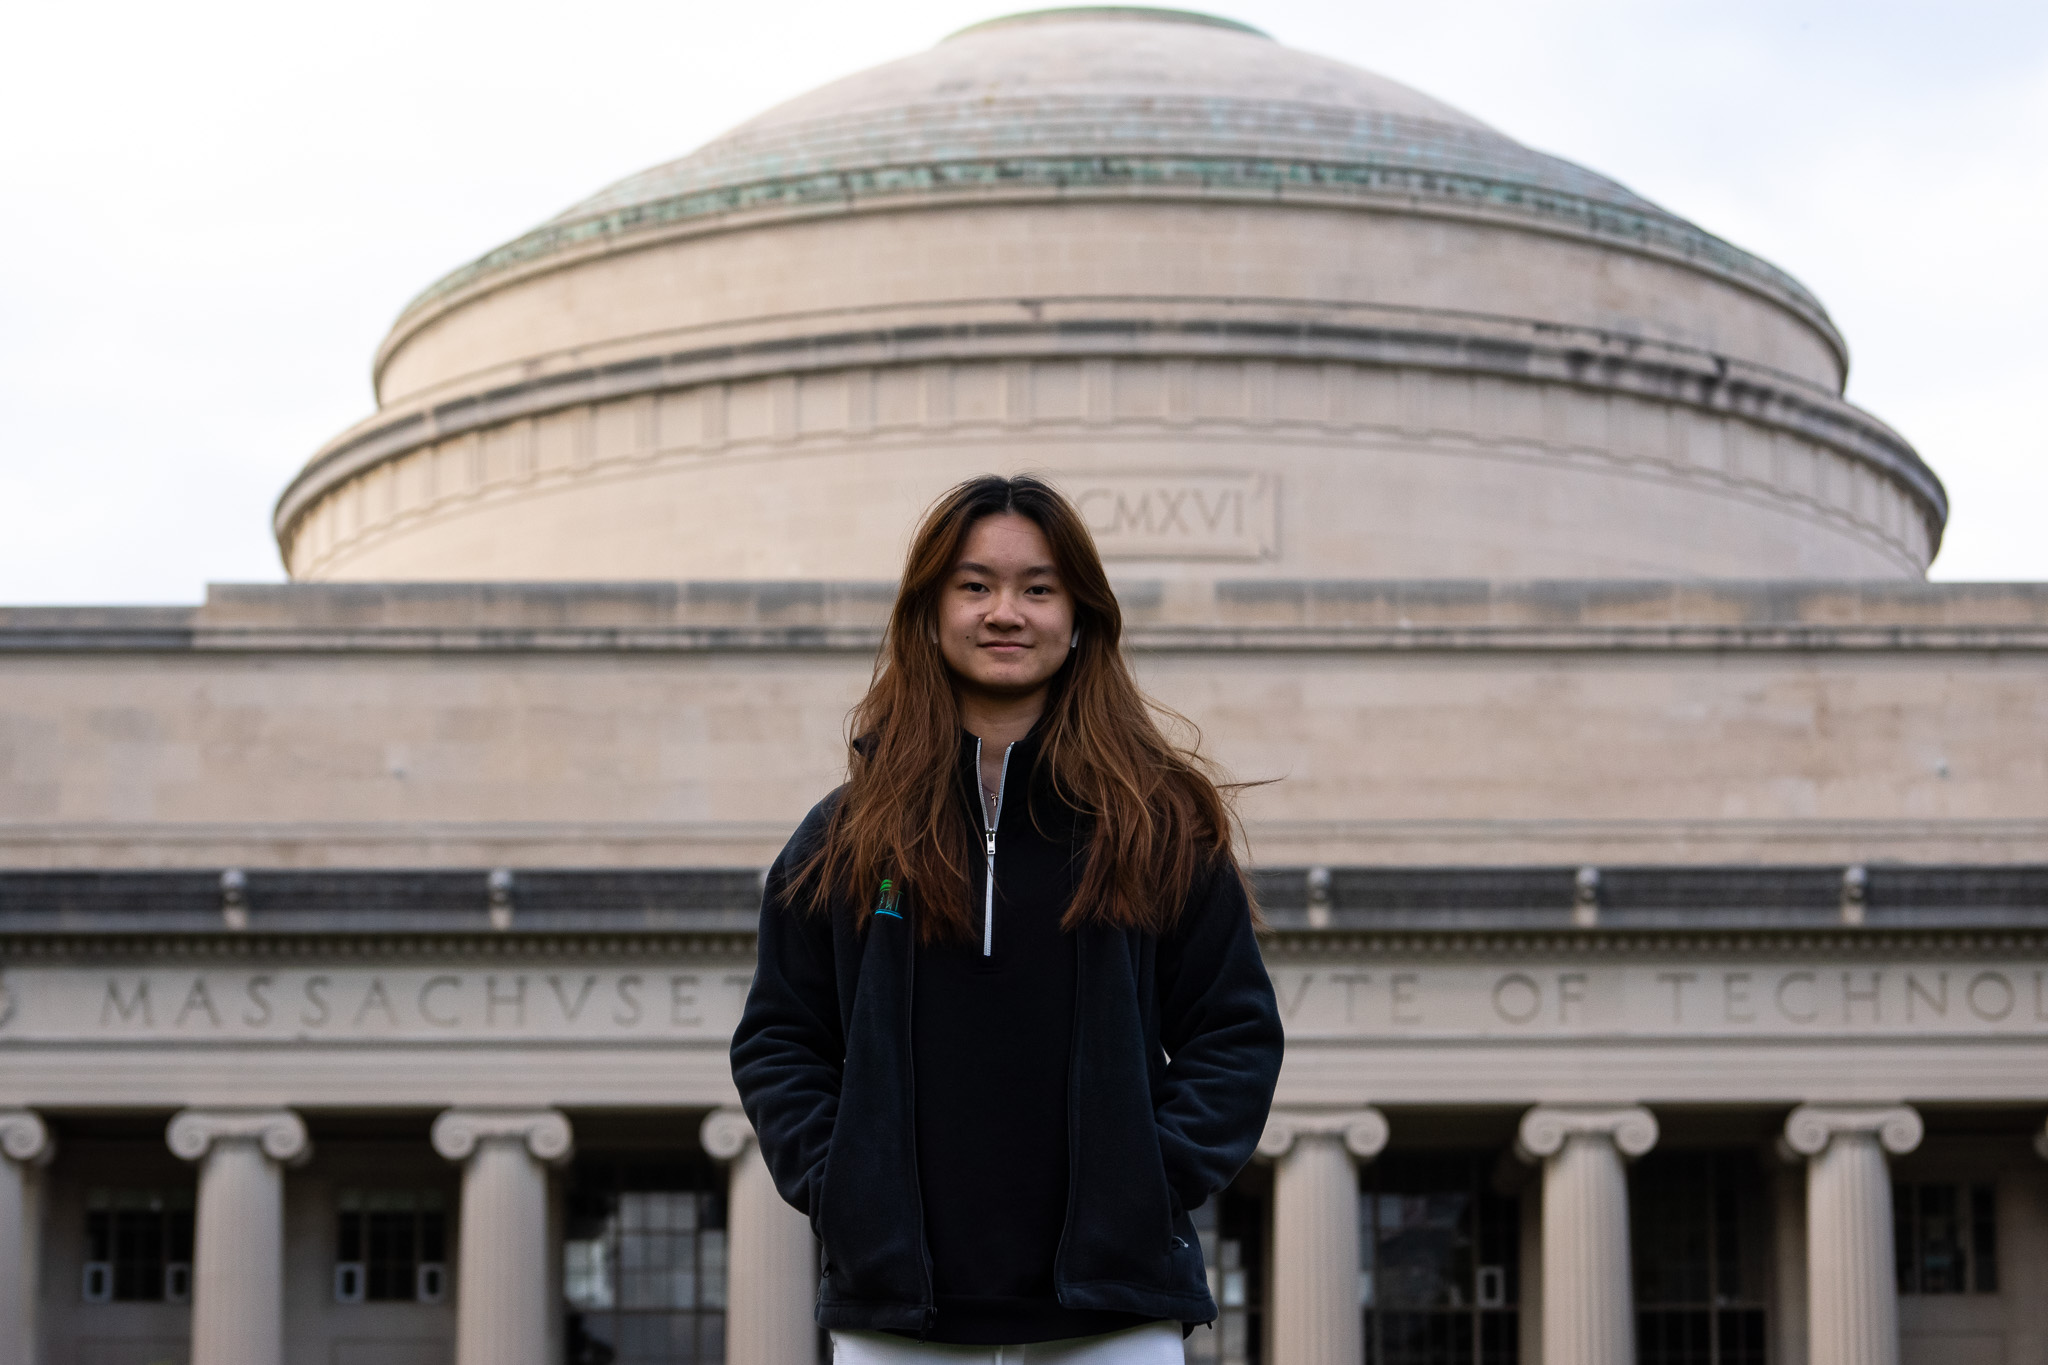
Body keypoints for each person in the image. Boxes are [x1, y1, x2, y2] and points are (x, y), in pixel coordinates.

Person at [730, 474, 1284, 1364]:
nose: (1005, 612)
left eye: (1038, 587)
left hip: (1110, 1311)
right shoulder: (844, 833)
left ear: (1079, 615)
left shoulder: (1158, 823)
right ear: (932, 609)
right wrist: (846, 1184)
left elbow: (1234, 1032)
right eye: (975, 584)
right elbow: (780, 1037)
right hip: (902, 1312)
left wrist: (1148, 1180)